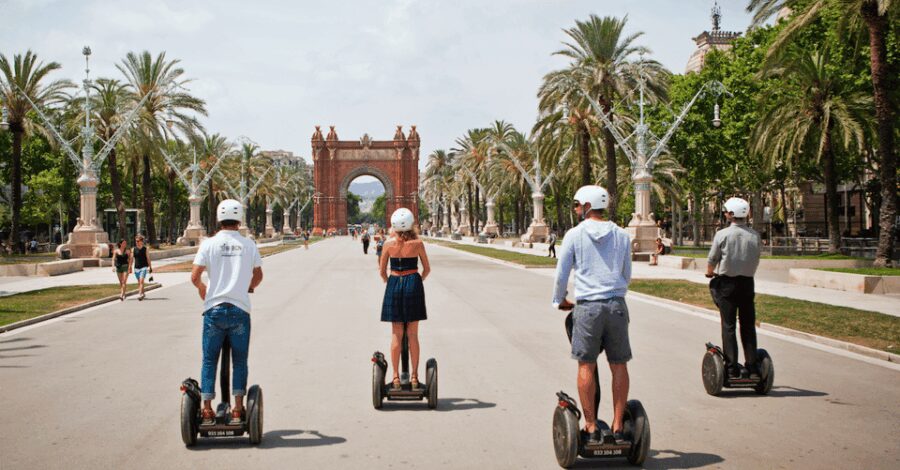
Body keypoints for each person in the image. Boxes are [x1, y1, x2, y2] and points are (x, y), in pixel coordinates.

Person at [552, 185, 632, 442]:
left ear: (587, 206)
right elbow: (626, 273)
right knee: (618, 364)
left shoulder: (574, 235)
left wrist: (559, 300)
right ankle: (618, 426)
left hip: (587, 308)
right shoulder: (621, 235)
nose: (575, 209)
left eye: (577, 204)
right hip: (616, 305)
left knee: (586, 364)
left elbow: (562, 273)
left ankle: (590, 426)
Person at [190, 199, 264, 426]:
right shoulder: (249, 244)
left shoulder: (208, 244)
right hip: (240, 309)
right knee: (240, 361)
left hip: (213, 310)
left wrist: (204, 289)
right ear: (239, 219)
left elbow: (194, 277)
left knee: (209, 360)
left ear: (218, 219)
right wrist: (247, 287)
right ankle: (237, 409)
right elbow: (258, 276)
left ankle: (207, 409)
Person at [706, 197, 761, 380]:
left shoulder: (722, 235)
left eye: (726, 211)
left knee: (728, 326)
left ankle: (731, 367)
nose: (724, 214)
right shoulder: (754, 235)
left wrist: (709, 272)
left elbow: (712, 259)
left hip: (727, 284)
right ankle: (752, 367)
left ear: (731, 215)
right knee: (748, 326)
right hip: (747, 283)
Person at [379, 208, 431, 390]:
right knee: (413, 334)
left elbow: (381, 270)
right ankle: (415, 377)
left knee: (396, 334)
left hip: (394, 284)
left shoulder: (388, 244)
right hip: (413, 284)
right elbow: (427, 269)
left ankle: (395, 377)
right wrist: (419, 280)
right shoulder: (418, 243)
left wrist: (389, 281)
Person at [132, 235, 153, 301]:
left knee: (141, 281)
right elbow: (131, 259)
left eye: (138, 241)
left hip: (143, 267)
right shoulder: (133, 249)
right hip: (136, 268)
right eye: (136, 241)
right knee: (139, 282)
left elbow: (148, 258)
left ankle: (140, 294)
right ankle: (143, 293)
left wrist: (150, 267)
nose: (136, 242)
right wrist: (129, 267)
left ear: (141, 241)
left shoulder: (145, 249)